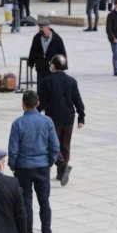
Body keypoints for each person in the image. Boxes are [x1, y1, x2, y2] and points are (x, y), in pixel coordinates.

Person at [7, 90, 60, 233]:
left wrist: (13, 165)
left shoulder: (18, 123)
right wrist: (49, 162)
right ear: (38, 103)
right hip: (42, 166)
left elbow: (13, 149)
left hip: (23, 167)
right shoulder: (47, 121)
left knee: (25, 202)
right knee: (44, 201)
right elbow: (55, 146)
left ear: (23, 104)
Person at [37, 56, 85, 186]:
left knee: (51, 145)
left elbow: (41, 101)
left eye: (51, 63)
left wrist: (34, 113)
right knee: (65, 146)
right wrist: (81, 117)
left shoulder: (47, 81)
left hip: (54, 119)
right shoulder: (71, 81)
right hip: (69, 118)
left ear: (54, 66)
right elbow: (78, 100)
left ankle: (63, 166)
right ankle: (61, 173)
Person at [27, 18, 67, 82]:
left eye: (42, 27)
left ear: (47, 27)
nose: (40, 29)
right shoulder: (37, 37)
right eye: (39, 27)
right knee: (41, 87)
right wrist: (31, 63)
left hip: (52, 69)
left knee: (52, 88)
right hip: (40, 67)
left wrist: (63, 66)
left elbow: (62, 53)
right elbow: (33, 50)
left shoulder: (57, 39)